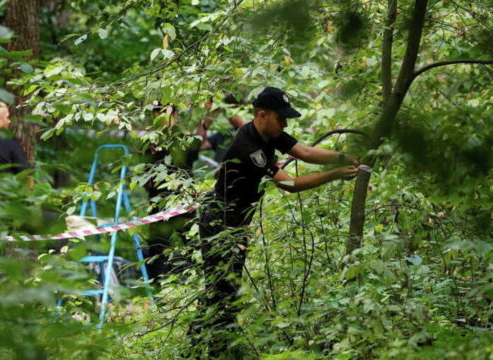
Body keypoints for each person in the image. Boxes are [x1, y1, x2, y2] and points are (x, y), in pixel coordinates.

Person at [193, 87, 359, 355]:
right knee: (221, 290)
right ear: (262, 115)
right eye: (281, 118)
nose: (285, 123)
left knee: (229, 289)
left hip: (237, 221)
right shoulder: (249, 147)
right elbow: (290, 184)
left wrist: (343, 157)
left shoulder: (271, 133)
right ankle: (205, 348)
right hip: (220, 221)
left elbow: (304, 152)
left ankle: (217, 345)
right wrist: (336, 173)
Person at [141, 101, 201, 280]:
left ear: (174, 114)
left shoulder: (183, 137)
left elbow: (190, 158)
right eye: (157, 113)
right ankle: (158, 287)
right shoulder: (149, 141)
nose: (161, 117)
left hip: (183, 198)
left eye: (165, 112)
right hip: (158, 199)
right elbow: (144, 172)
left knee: (193, 242)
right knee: (157, 246)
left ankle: (199, 281)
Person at [198, 94, 246, 163]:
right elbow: (200, 145)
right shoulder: (224, 134)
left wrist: (240, 122)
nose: (227, 115)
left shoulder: (253, 131)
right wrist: (208, 117)